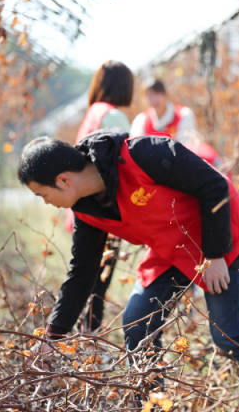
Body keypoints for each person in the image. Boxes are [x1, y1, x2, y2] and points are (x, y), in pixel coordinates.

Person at [17, 131, 239, 399]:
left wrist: (215, 255)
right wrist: (52, 336)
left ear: (63, 180)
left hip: (220, 237)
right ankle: (152, 405)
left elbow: (214, 184)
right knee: (137, 323)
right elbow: (82, 272)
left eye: (43, 195)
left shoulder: (142, 154)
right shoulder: (86, 210)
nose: (46, 202)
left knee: (231, 337)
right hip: (173, 252)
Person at [68, 60, 134, 332]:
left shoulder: (94, 112)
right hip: (108, 211)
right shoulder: (113, 116)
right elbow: (126, 166)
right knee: (99, 282)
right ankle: (90, 341)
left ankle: (86, 339)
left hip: (87, 208)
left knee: (87, 277)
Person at [130, 78, 197, 142]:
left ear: (165, 95)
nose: (153, 99)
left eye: (156, 94)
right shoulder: (141, 120)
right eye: (149, 95)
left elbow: (187, 145)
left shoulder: (183, 115)